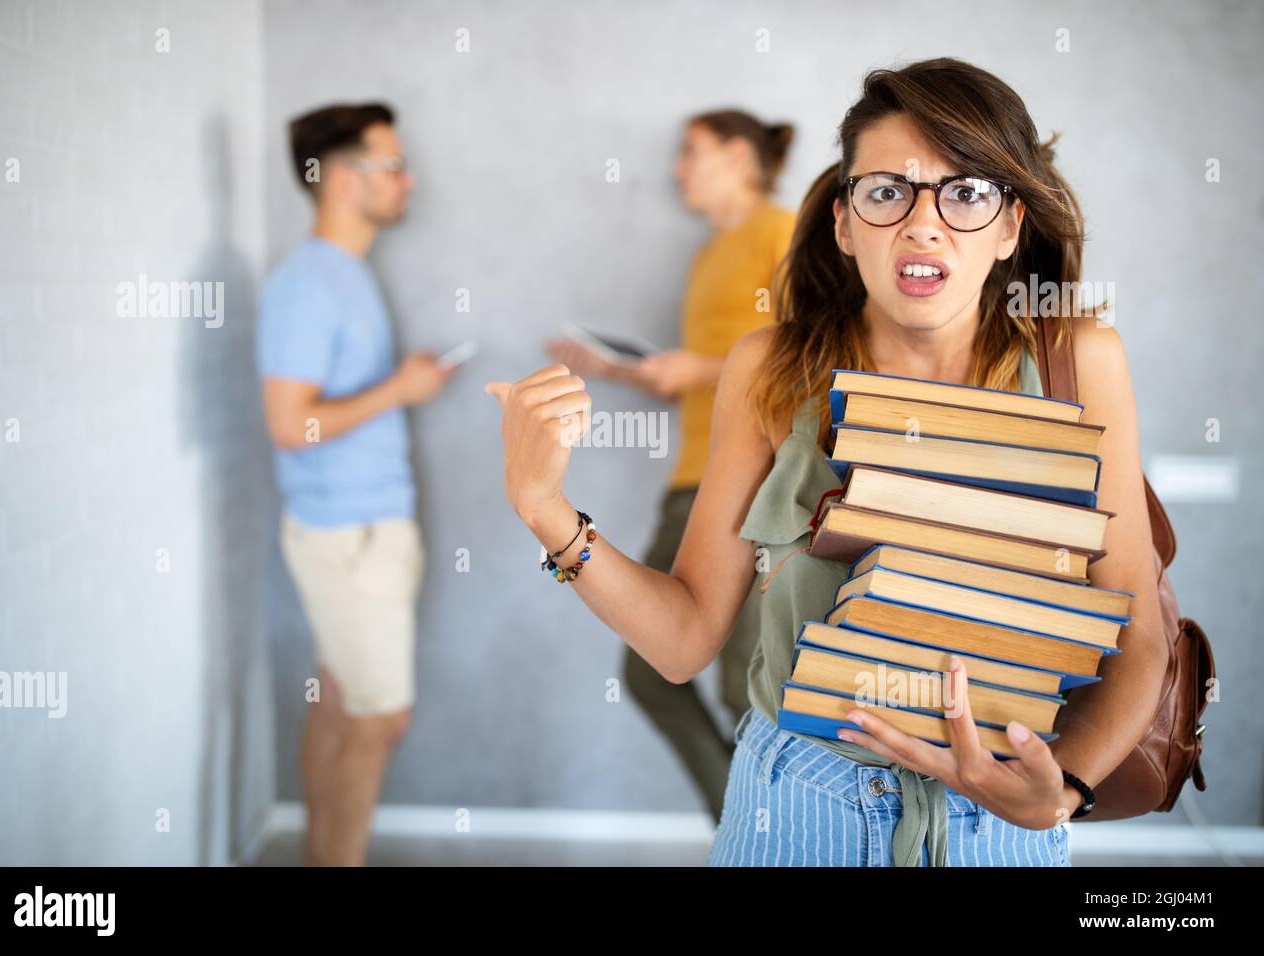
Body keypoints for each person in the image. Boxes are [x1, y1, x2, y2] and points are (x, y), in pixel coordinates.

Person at [485, 58, 1168, 866]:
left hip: (1003, 822)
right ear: (845, 222)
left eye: (966, 191)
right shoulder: (769, 369)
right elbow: (682, 643)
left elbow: (1138, 630)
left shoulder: (1081, 361)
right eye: (887, 192)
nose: (924, 224)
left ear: (1011, 224)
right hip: (795, 808)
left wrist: (1062, 790)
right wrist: (544, 509)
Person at [545, 109, 796, 823]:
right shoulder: (708, 254)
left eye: (691, 152)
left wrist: (701, 366)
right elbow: (708, 373)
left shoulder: (782, 232)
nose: (676, 169)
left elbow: (811, 354)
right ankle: (753, 828)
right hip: (693, 479)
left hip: (759, 484)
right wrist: (618, 370)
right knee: (654, 669)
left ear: (741, 156)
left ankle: (773, 836)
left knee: (741, 684)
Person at [258, 102, 456, 866]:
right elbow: (288, 423)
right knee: (381, 719)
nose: (408, 181)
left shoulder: (346, 276)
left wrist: (405, 385)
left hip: (366, 528)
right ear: (342, 180)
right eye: (393, 166)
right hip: (347, 534)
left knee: (342, 704)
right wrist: (399, 390)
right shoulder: (308, 282)